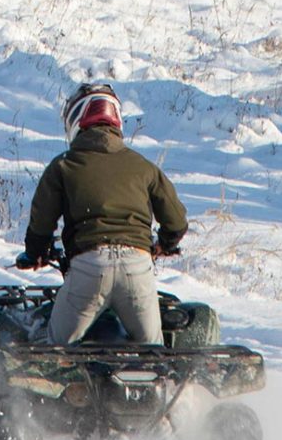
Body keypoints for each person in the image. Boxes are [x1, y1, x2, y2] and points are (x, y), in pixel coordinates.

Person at [21, 83, 187, 345]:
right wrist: (164, 244)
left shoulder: (64, 165)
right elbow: (176, 221)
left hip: (90, 268)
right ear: (117, 119)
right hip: (137, 269)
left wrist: (36, 251)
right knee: (155, 357)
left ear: (76, 120)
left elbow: (41, 223)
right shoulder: (143, 166)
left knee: (54, 352)